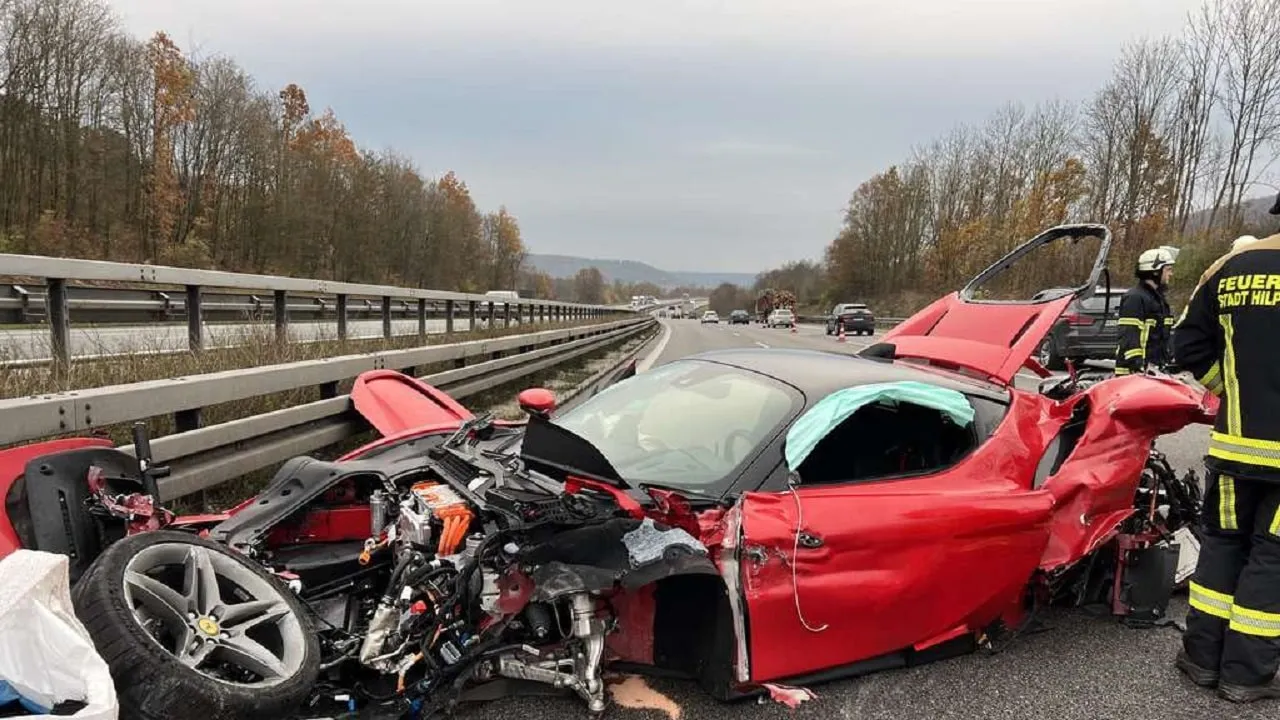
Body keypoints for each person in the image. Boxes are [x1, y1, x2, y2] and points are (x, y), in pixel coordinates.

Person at [1173, 190, 1280, 703]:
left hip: (1237, 448)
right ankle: (1246, 674)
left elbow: (1187, 343)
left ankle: (1201, 658)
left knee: (1224, 543)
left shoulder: (1231, 266)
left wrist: (1230, 390)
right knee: (1273, 557)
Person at [1113, 246, 1178, 374]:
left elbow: (1161, 338)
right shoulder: (1135, 298)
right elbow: (1129, 336)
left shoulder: (1158, 299)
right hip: (1134, 375)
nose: (1171, 274)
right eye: (1168, 270)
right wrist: (1138, 366)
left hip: (1152, 372)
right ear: (1155, 272)